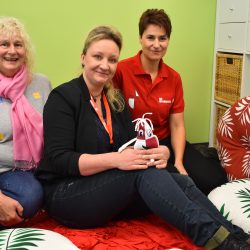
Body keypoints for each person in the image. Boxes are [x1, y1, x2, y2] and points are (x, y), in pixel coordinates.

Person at [36, 25, 250, 249]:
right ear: (83, 58)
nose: (104, 65)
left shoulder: (115, 100)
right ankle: (216, 240)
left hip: (104, 186)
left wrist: (163, 153)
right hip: (67, 194)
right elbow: (59, 159)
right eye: (97, 57)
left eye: (112, 59)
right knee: (142, 175)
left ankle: (236, 236)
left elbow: (133, 146)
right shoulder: (63, 97)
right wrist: (117, 160)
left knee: (181, 180)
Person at [113, 9, 228, 195]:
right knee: (173, 186)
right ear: (140, 38)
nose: (156, 44)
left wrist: (179, 162)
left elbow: (177, 124)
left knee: (214, 180)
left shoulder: (174, 77)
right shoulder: (121, 71)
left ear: (168, 40)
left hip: (165, 142)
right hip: (135, 144)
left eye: (162, 38)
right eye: (150, 37)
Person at [0, 16, 52, 227]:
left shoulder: (41, 83)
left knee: (35, 195)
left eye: (18, 44)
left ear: (26, 50)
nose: (12, 51)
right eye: (4, 44)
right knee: (31, 197)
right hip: (4, 171)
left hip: (33, 170)